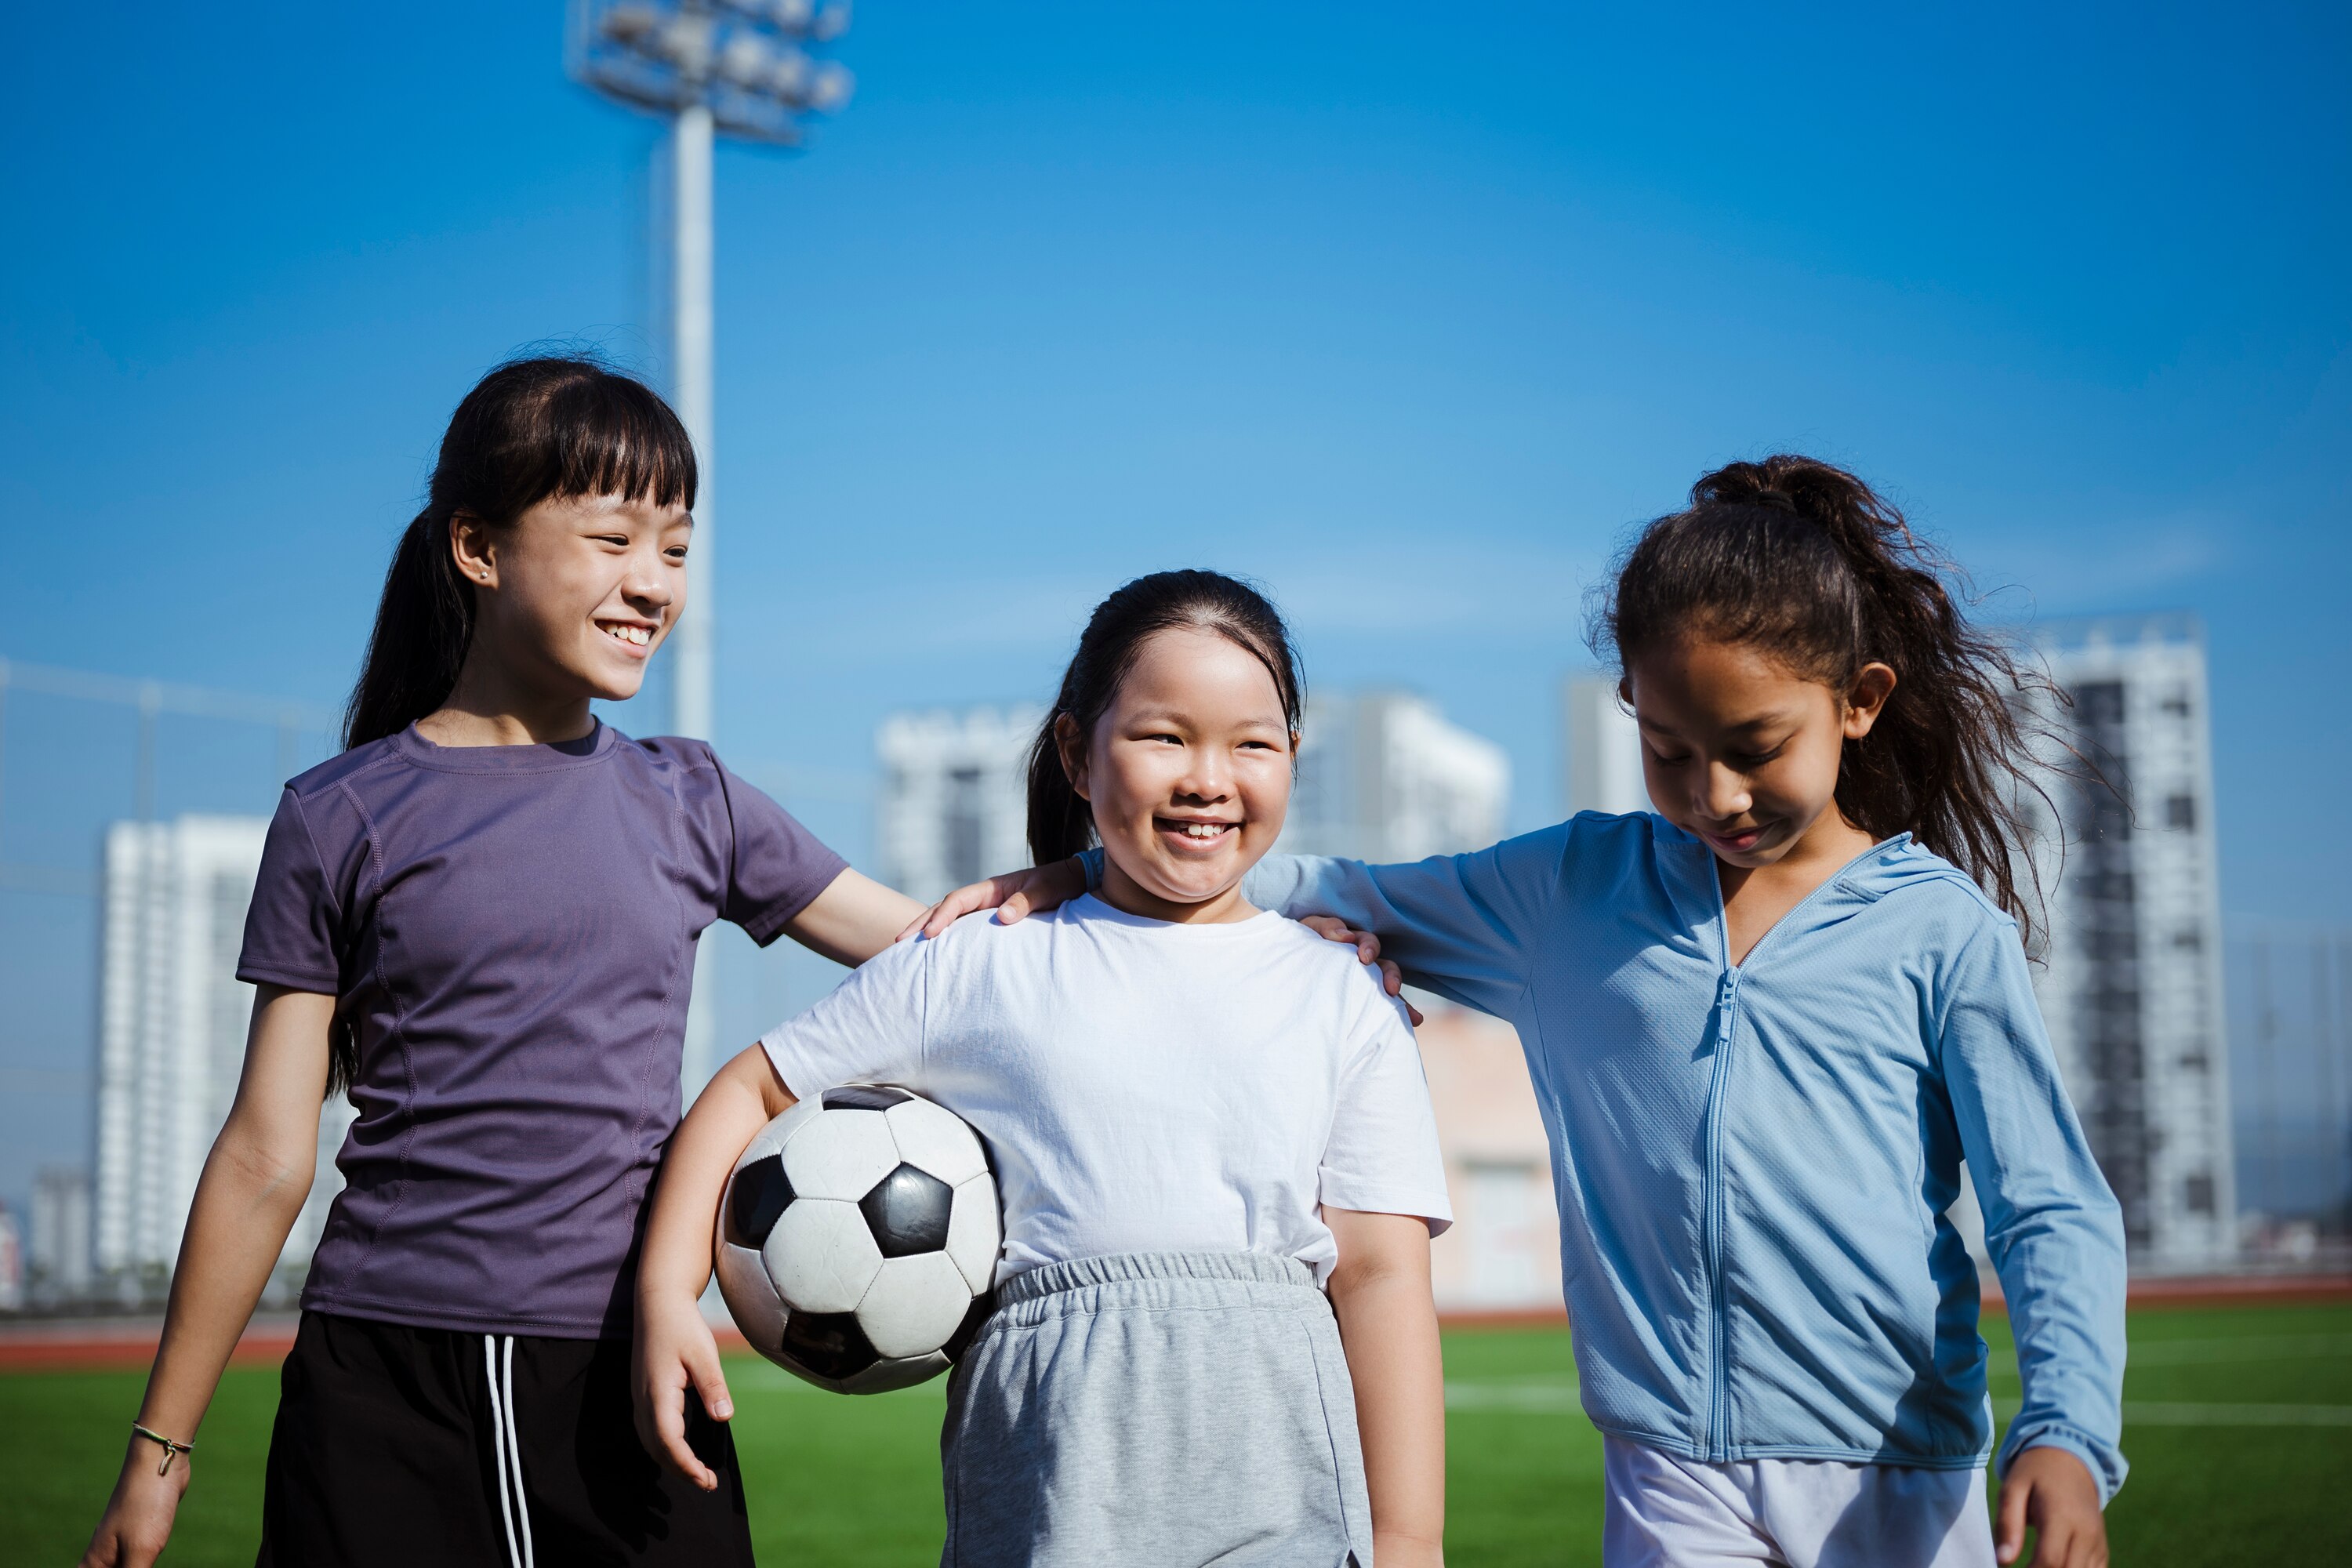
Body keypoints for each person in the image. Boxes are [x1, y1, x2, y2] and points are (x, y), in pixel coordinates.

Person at [916, 459, 2129, 1568]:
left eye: (1757, 747)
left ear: (1858, 703)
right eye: (1668, 750)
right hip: (1670, 1483)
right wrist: (1085, 875)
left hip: (1899, 1476)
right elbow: (1323, 883)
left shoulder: (1939, 933)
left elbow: (2050, 1207)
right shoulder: (1570, 897)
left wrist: (2069, 1427)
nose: (1714, 794)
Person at [79, 356, 927, 1568]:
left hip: (631, 1368)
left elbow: (935, 956)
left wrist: (1100, 894)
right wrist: (159, 1451)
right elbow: (269, 1154)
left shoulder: (694, 799)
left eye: (676, 549)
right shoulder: (340, 816)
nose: (654, 585)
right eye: (613, 539)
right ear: (478, 549)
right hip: (382, 1385)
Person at [635, 570, 1454, 1568]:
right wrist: (669, 1292)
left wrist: (1409, 1540)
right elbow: (750, 1086)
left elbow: (1379, 1276)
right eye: (1164, 736)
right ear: (1077, 751)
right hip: (1050, 1479)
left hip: (1283, 1477)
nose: (1209, 775)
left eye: (1253, 740)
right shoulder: (982, 959)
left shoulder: (1342, 992)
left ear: (1292, 754)